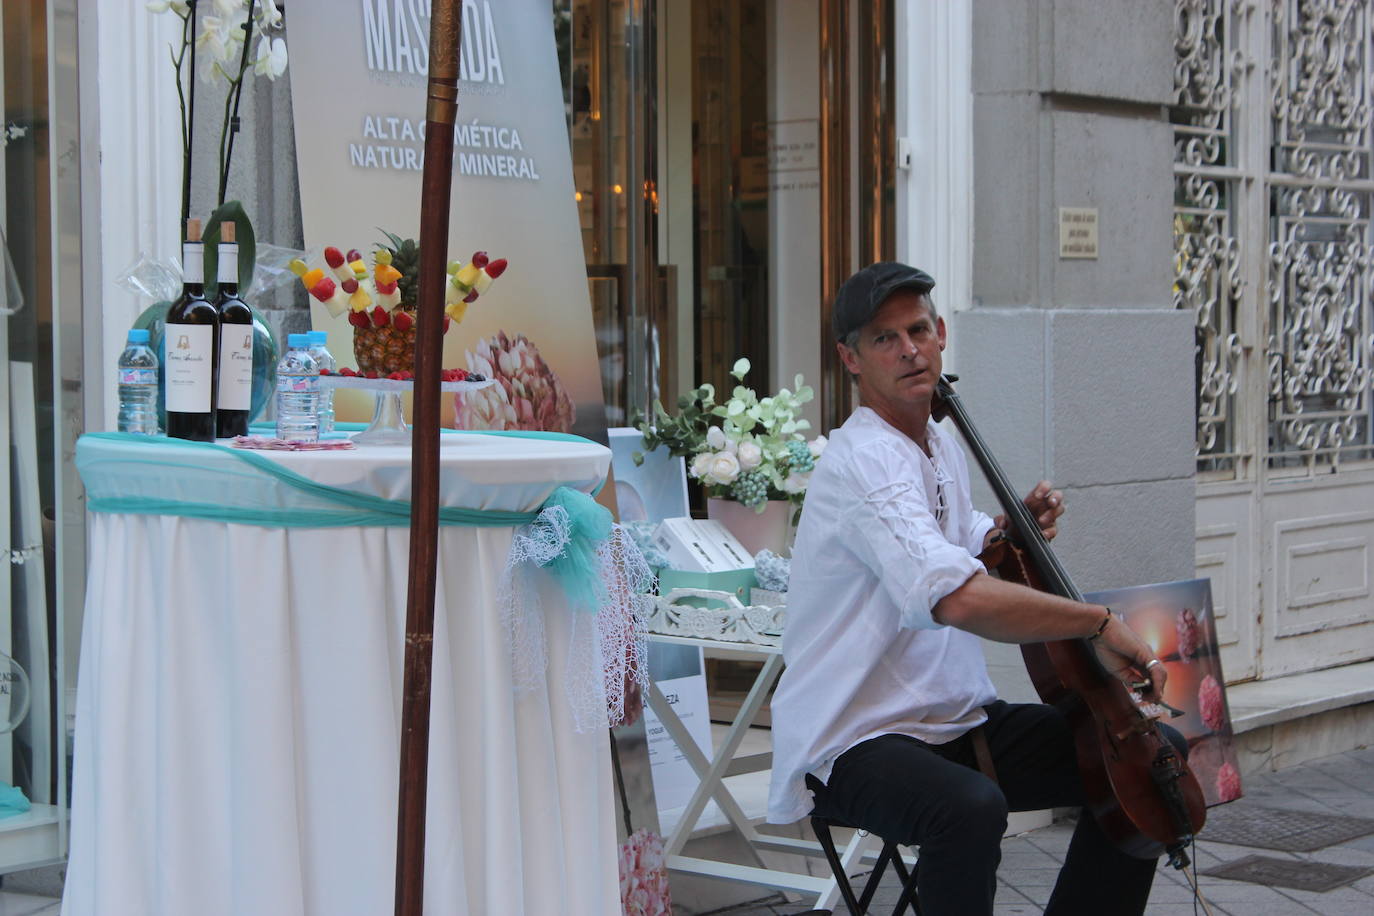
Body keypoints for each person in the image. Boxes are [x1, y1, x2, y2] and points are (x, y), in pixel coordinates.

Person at [766, 262, 1179, 916]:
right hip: (853, 738)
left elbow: (954, 541)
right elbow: (952, 595)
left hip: (955, 721)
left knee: (1154, 762)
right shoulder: (860, 461)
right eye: (883, 338)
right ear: (849, 357)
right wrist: (1095, 622)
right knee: (968, 808)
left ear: (942, 335)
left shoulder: (938, 444)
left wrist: (1003, 531)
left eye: (918, 329)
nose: (908, 349)